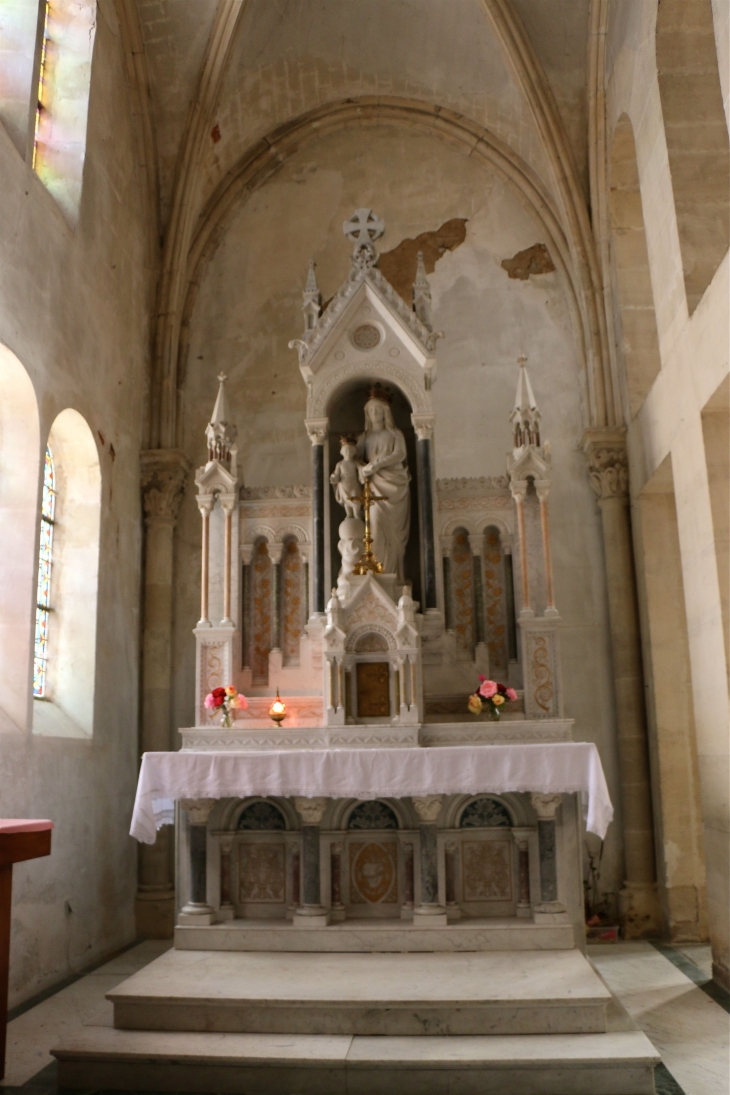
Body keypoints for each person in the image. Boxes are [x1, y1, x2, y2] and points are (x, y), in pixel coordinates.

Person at [356, 388, 410, 580]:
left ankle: (394, 577)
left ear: (386, 411)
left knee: (394, 537)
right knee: (375, 529)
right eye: (370, 410)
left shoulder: (395, 434)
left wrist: (376, 464)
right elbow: (353, 458)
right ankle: (375, 575)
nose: (374, 413)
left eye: (378, 409)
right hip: (373, 488)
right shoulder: (364, 438)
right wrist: (362, 469)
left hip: (395, 488)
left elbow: (400, 454)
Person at [330, 436, 362, 518]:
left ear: (354, 451)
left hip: (354, 484)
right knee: (346, 500)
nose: (348, 452)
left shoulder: (355, 463)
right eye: (346, 450)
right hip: (343, 484)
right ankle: (349, 514)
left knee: (356, 499)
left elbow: (361, 469)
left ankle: (357, 515)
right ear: (342, 452)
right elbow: (337, 474)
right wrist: (334, 478)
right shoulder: (340, 464)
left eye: (350, 450)